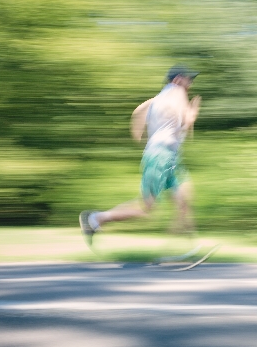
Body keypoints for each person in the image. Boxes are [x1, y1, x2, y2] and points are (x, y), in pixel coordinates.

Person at [79, 64, 201, 247]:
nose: (190, 84)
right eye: (188, 79)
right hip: (162, 156)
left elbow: (138, 111)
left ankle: (183, 247)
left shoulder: (159, 97)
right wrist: (193, 112)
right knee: (146, 208)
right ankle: (96, 218)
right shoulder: (177, 92)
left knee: (184, 198)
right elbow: (187, 121)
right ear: (177, 80)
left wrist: (141, 136)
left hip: (164, 155)